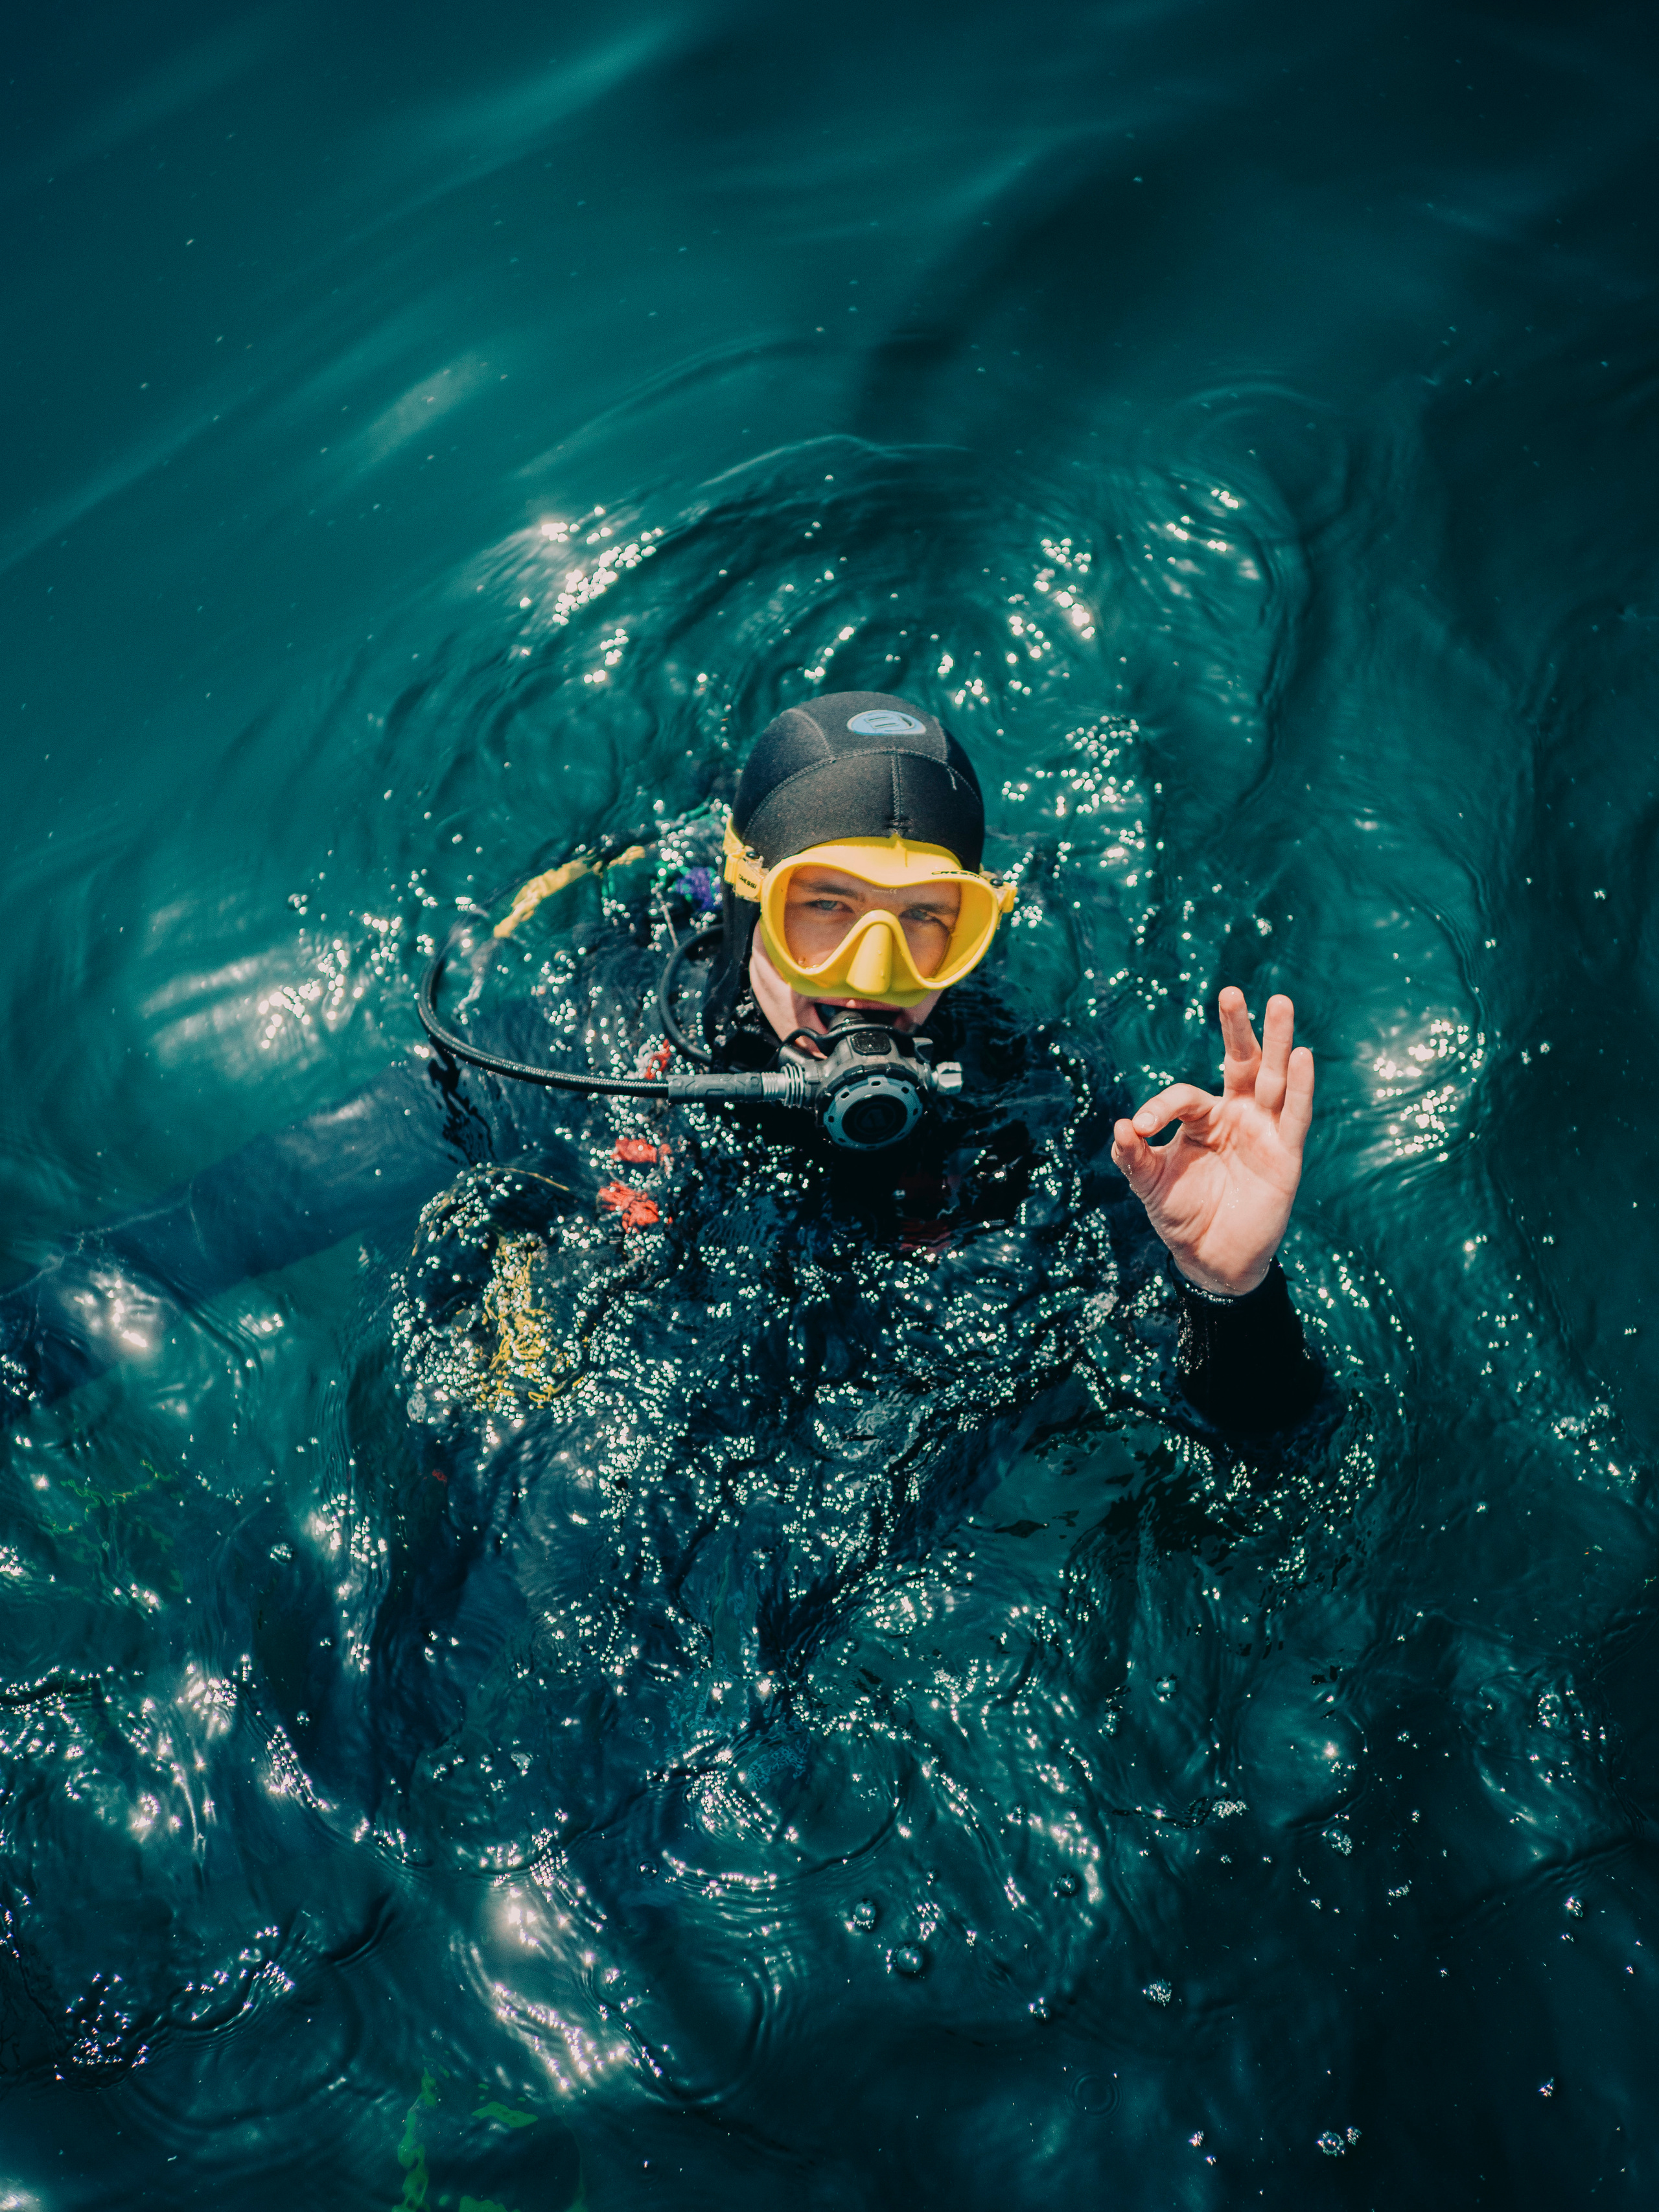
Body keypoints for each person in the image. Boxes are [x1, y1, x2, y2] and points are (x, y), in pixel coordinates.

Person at [0, 690, 1319, 1438]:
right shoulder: (562, 1055)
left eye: (928, 928)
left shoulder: (1049, 1122)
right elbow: (188, 1241)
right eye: (822, 912)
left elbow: (1274, 1474)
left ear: (974, 937)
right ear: (742, 897)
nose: (871, 975)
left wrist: (1233, 1290)